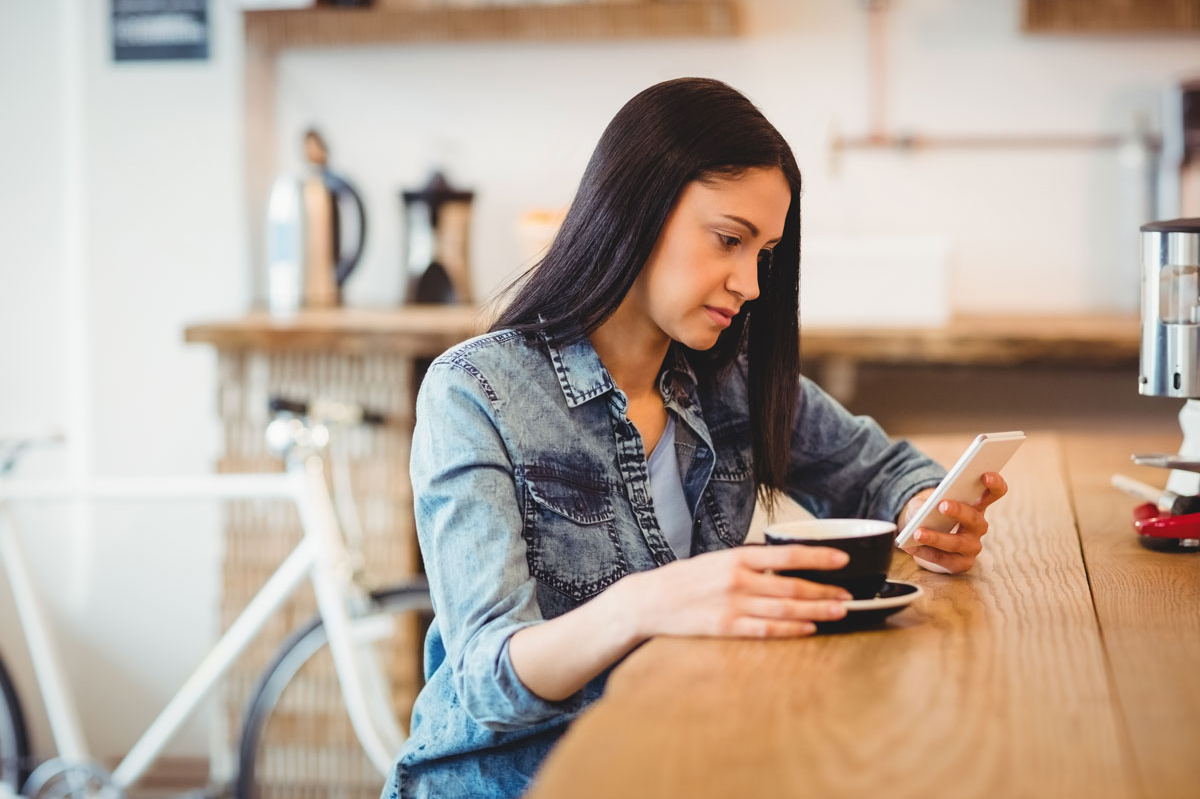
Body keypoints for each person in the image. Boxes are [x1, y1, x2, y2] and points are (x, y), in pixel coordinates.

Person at [381, 77, 1009, 799]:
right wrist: (650, 602)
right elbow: (487, 681)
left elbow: (881, 470)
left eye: (764, 253)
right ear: (637, 207)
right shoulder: (475, 393)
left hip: (681, 761)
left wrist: (929, 509)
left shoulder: (729, 380)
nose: (750, 283)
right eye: (729, 240)